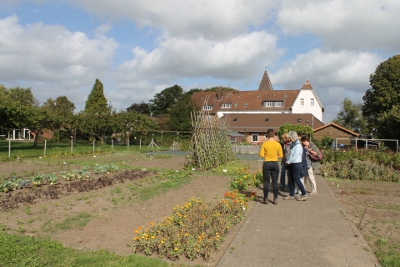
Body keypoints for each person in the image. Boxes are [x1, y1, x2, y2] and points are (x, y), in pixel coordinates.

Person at [259, 129, 283, 205]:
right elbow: (281, 155)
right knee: (275, 182)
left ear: (267, 135)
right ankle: (275, 199)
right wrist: (276, 156)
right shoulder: (278, 144)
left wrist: (267, 155)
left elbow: (261, 155)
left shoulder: (265, 144)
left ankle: (265, 199)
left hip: (267, 163)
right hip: (275, 163)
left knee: (266, 182)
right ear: (274, 135)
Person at [283, 131, 307, 201]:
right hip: (292, 164)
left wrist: (288, 161)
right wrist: (288, 161)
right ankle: (291, 194)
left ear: (293, 138)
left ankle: (304, 194)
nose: (290, 139)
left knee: (297, 180)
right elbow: (291, 155)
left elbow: (295, 156)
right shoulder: (294, 145)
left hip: (296, 164)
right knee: (290, 180)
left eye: (290, 138)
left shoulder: (298, 146)